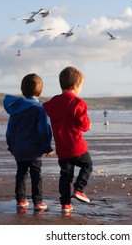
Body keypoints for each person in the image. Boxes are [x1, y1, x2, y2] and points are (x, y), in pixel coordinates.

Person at [43, 66, 92, 213]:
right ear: (75, 86)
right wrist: (89, 125)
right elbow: (84, 125)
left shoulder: (53, 103)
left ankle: (65, 204)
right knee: (87, 165)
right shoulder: (78, 102)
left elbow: (46, 109)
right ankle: (79, 189)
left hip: (62, 148)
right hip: (77, 146)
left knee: (65, 175)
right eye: (81, 86)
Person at [3, 73, 53, 211]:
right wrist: (47, 146)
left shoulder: (15, 110)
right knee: (36, 174)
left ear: (22, 90)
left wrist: (11, 146)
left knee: (21, 173)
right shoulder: (39, 109)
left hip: (19, 148)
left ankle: (21, 200)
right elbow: (44, 129)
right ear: (40, 91)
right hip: (34, 149)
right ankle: (38, 202)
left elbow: (10, 131)